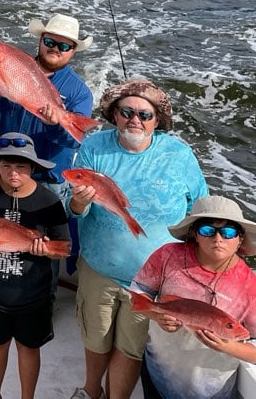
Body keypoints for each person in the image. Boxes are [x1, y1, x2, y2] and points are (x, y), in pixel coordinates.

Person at [68, 79, 209, 399]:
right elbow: (74, 210)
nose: (135, 120)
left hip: (153, 279)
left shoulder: (179, 154)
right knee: (96, 339)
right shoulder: (94, 147)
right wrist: (79, 201)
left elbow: (199, 208)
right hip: (99, 268)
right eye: (127, 112)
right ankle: (91, 391)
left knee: (130, 347)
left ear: (158, 121)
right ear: (114, 114)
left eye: (145, 115)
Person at [0, 13, 95, 317]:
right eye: (50, 41)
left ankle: (43, 299)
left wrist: (54, 123)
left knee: (44, 243)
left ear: (73, 51)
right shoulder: (12, 63)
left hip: (47, 175)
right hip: (3, 167)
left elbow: (73, 141)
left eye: (64, 46)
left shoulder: (77, 92)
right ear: (40, 40)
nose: (56, 49)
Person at [130, 195, 256, 399]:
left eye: (228, 232)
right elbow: (139, 290)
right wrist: (156, 315)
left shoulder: (253, 290)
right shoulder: (167, 255)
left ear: (239, 239)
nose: (218, 239)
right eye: (208, 231)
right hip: (157, 370)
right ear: (194, 234)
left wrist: (228, 346)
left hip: (209, 391)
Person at [0, 132, 70, 399]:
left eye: (21, 166)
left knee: (29, 349)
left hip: (34, 295)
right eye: (6, 165)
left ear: (32, 168)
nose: (13, 173)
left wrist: (45, 251)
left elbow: (63, 248)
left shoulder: (49, 201)